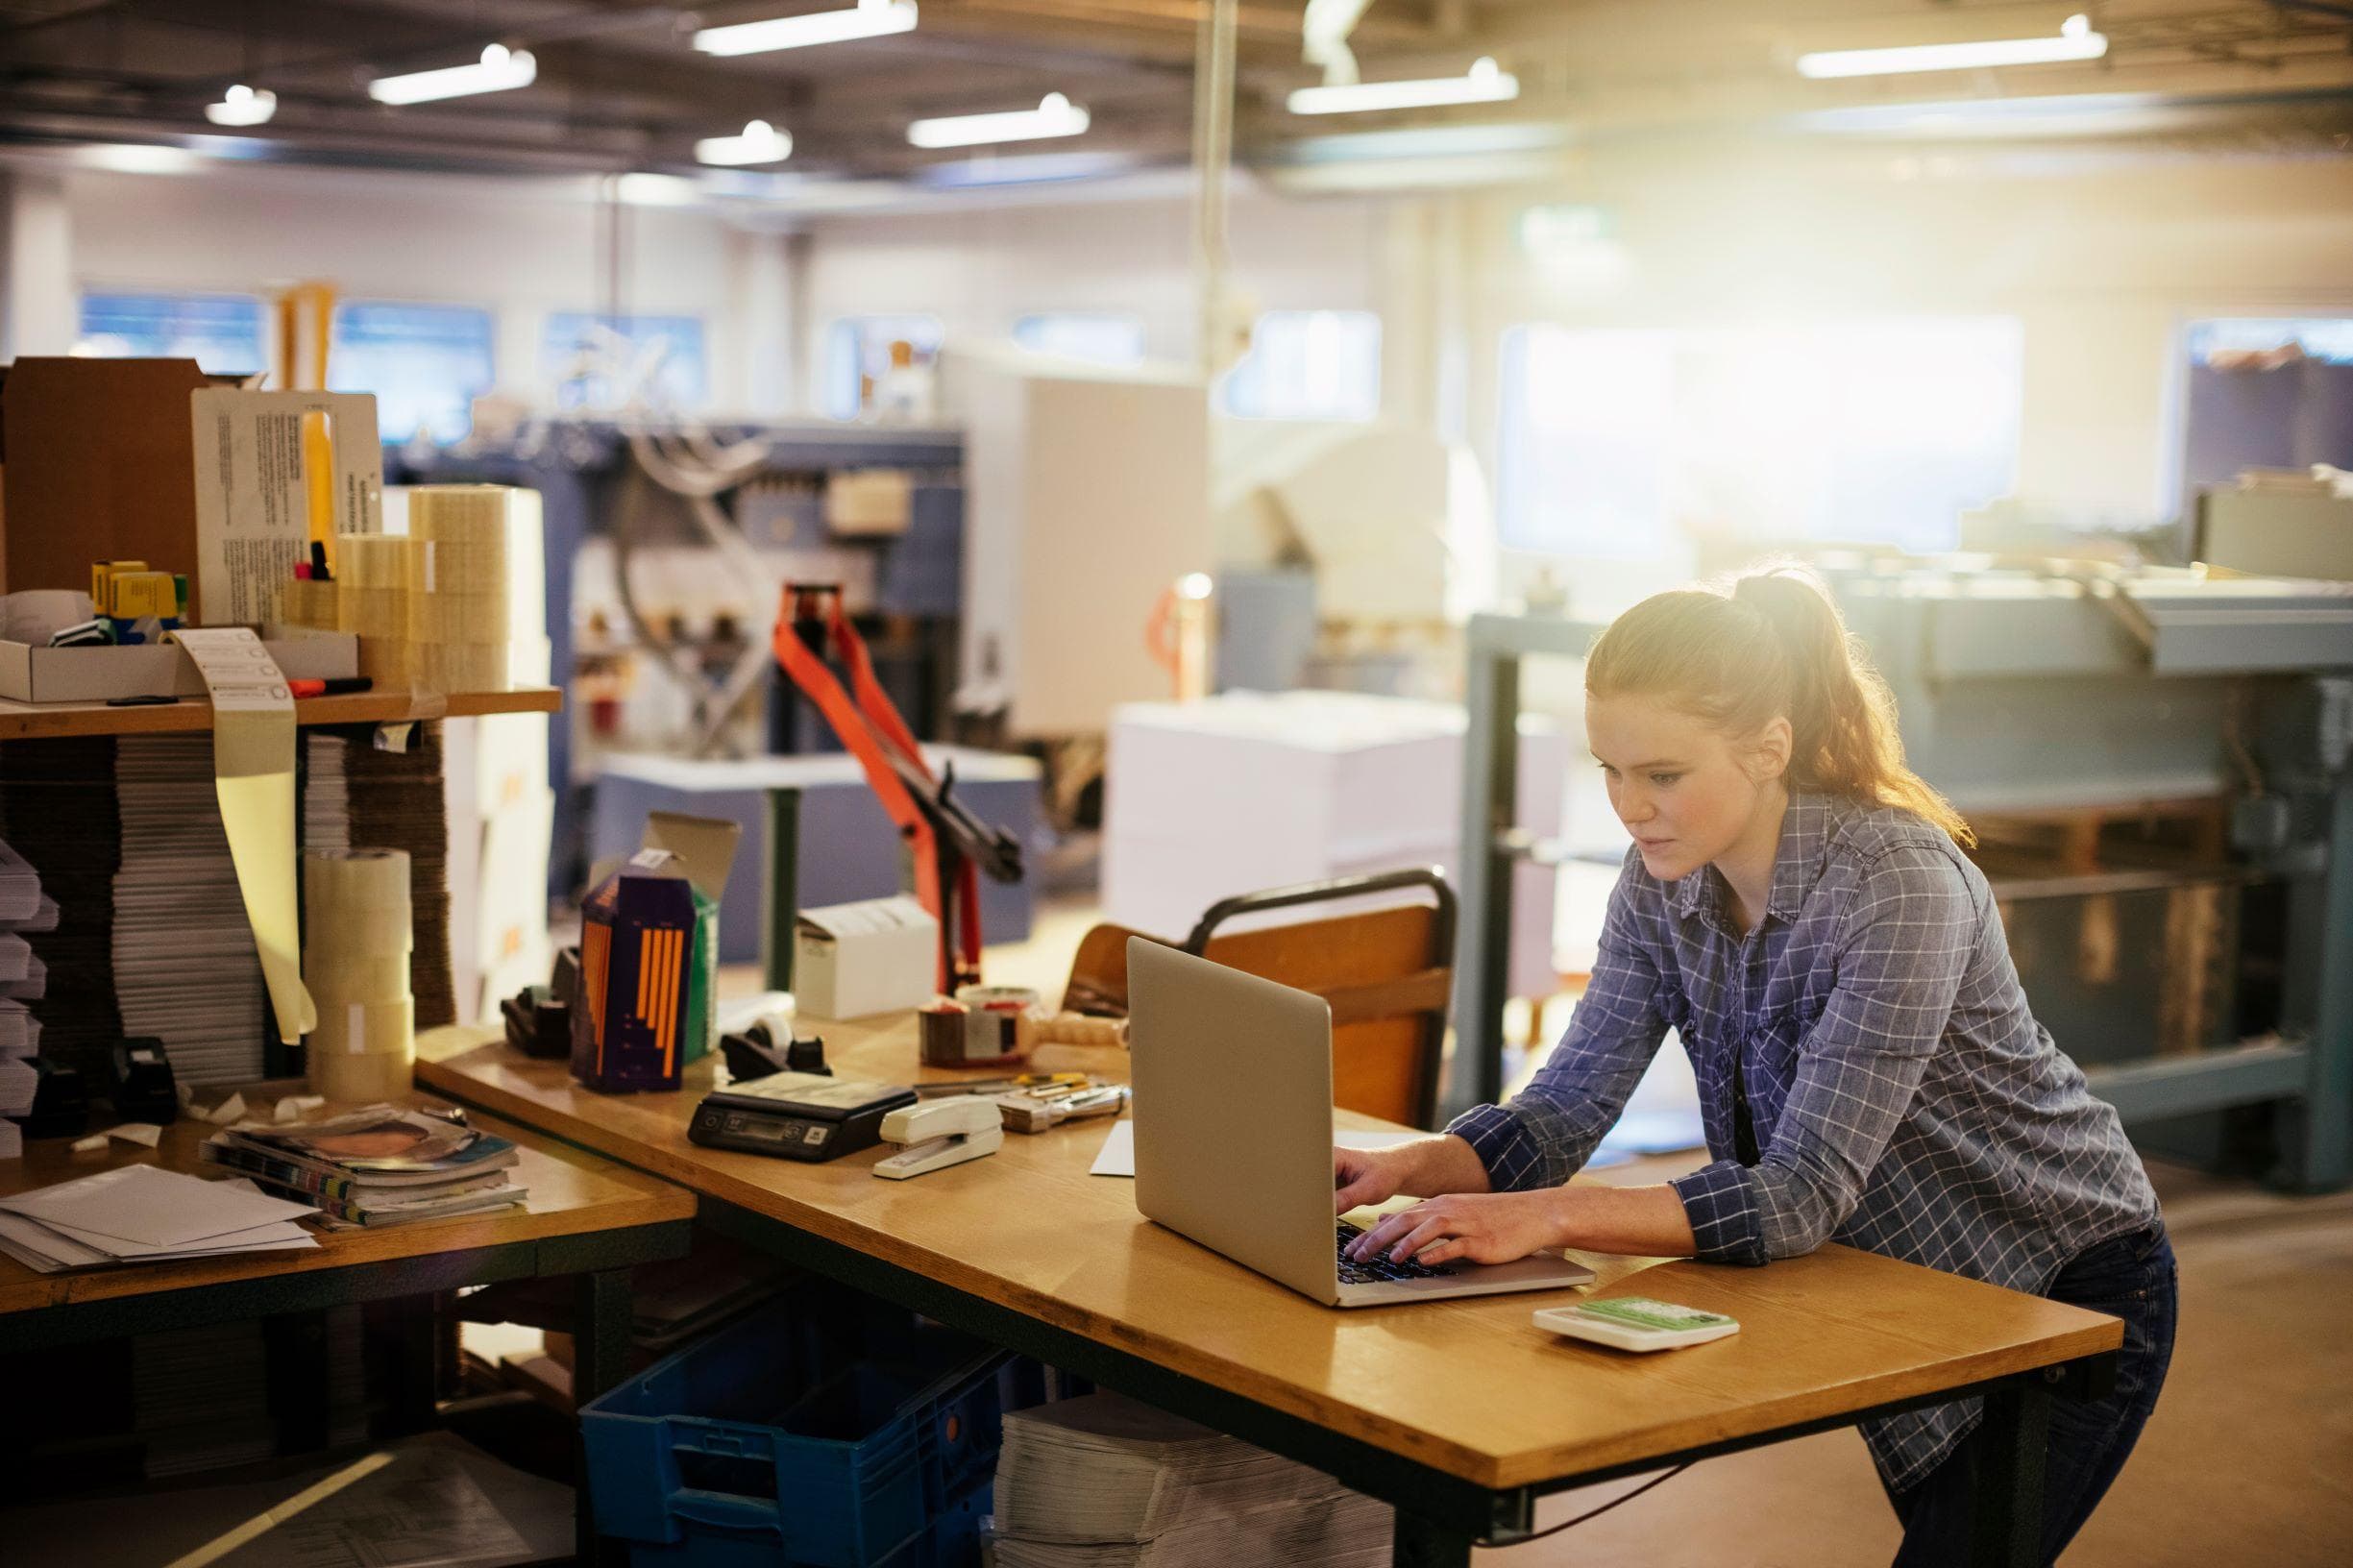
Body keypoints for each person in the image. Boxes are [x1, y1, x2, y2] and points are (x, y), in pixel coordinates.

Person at [1336, 566, 2174, 1567]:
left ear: (1768, 747)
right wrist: (1419, 1167)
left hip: (2064, 1279)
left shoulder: (1896, 884)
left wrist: (1552, 1214)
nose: (1628, 807)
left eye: (1662, 774)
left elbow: (1799, 1195)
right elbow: (1565, 1107)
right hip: (1910, 1289)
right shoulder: (1660, 882)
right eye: (1609, 769)